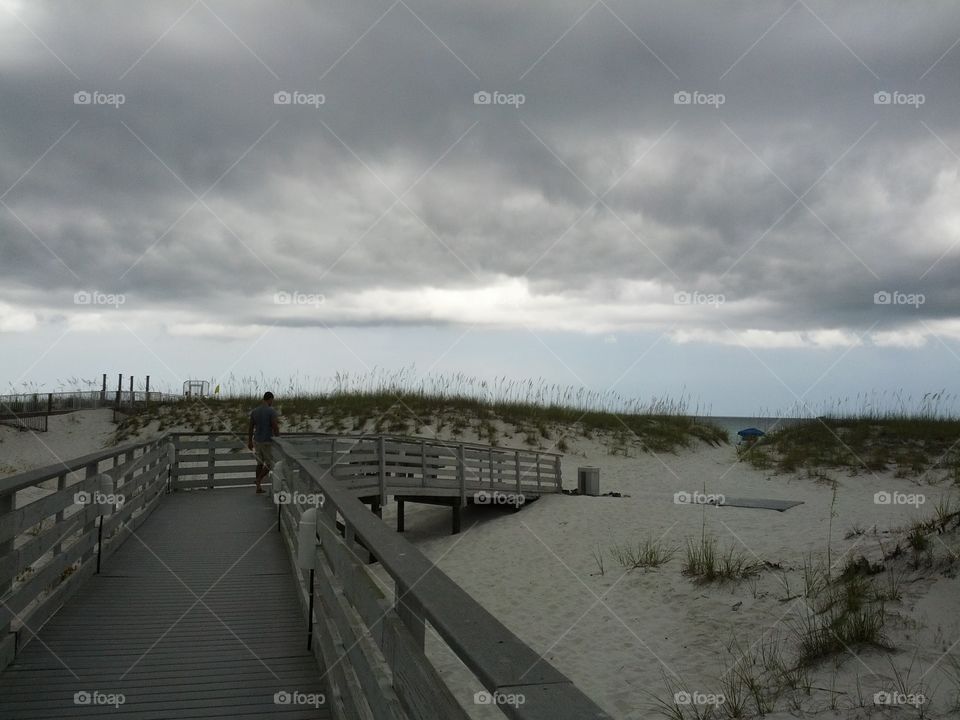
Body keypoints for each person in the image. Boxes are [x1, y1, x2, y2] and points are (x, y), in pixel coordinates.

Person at [248, 391, 280, 494]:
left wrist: (249, 441)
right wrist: (278, 438)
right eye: (272, 400)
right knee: (270, 464)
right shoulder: (271, 411)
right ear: (270, 399)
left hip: (257, 440)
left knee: (259, 464)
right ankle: (259, 480)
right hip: (267, 441)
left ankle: (258, 487)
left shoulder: (255, 411)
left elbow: (251, 427)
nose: (272, 402)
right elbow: (275, 426)